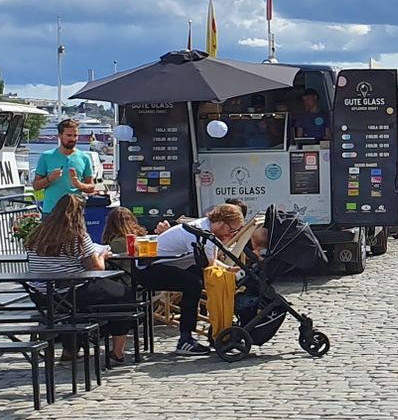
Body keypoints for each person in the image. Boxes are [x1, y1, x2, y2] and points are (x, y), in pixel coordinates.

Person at [25, 195, 136, 362]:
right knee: (124, 296)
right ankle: (117, 351)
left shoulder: (36, 236)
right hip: (72, 291)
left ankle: (70, 351)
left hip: (43, 295)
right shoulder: (77, 237)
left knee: (73, 311)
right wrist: (103, 255)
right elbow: (97, 268)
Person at [140, 202, 247, 354]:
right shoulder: (203, 234)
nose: (231, 234)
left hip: (167, 265)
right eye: (231, 230)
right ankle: (185, 339)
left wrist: (229, 269)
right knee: (193, 284)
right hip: (148, 268)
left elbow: (209, 261)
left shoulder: (206, 229)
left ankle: (219, 325)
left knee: (198, 278)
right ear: (221, 223)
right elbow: (209, 265)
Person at [32, 118, 100, 214]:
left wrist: (79, 184)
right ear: (60, 136)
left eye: (75, 135)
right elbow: (36, 186)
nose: (72, 139)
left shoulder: (85, 158)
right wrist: (49, 179)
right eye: (69, 135)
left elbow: (91, 187)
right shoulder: (46, 156)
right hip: (51, 212)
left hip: (75, 212)